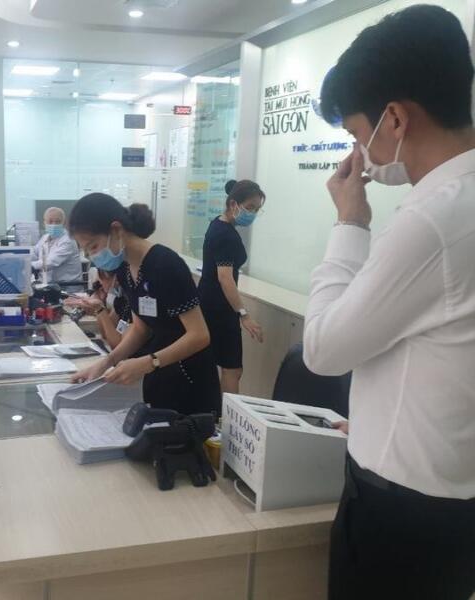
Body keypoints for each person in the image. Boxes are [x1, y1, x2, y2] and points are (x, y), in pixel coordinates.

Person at [305, 6, 475, 599]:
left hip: (398, 513)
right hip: (449, 503)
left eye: (359, 135)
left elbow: (322, 350)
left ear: (396, 118)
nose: (361, 153)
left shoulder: (434, 217)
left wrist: (350, 222)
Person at [68, 193, 222, 416]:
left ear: (116, 230)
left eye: (93, 247)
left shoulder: (165, 265)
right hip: (159, 373)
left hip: (189, 377)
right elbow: (141, 328)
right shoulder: (124, 268)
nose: (93, 257)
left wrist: (149, 363)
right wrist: (107, 362)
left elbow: (200, 335)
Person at [197, 180, 265, 393]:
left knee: (222, 365)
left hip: (211, 302)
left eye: (257, 209)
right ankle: (226, 413)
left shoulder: (218, 224)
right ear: (234, 204)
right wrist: (244, 314)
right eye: (250, 207)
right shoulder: (225, 234)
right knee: (232, 369)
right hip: (219, 307)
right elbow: (225, 278)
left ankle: (215, 408)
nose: (252, 214)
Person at [64, 268, 132, 349]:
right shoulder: (120, 301)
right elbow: (105, 335)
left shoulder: (133, 304)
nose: (99, 282)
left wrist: (100, 309)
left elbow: (117, 344)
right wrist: (100, 301)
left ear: (116, 279)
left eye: (101, 278)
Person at [31, 207, 83, 285]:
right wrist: (22, 260)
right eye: (50, 221)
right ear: (44, 223)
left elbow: (52, 262)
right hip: (48, 284)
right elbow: (34, 253)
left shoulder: (68, 240)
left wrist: (31, 266)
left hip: (66, 287)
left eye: (58, 222)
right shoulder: (45, 238)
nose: (54, 224)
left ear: (64, 223)